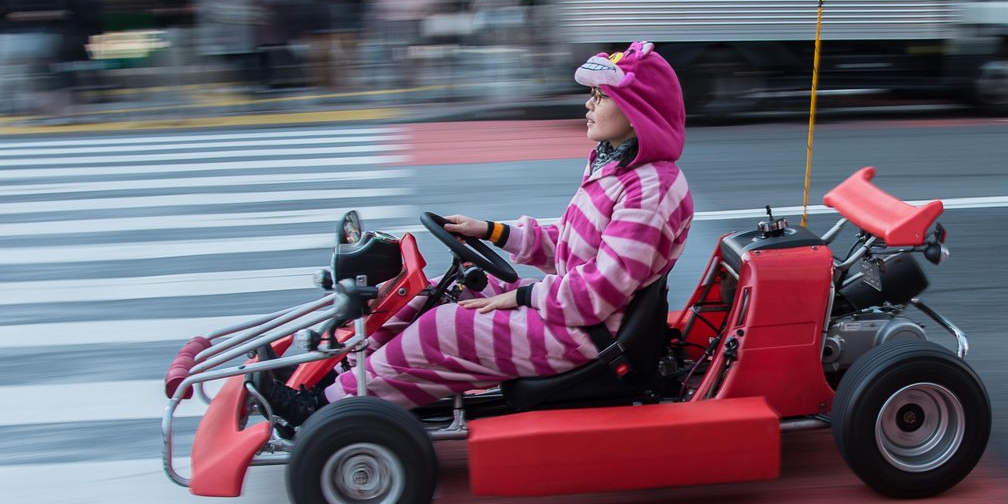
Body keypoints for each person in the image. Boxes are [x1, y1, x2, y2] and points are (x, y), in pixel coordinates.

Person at [261, 40, 694, 424]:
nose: (588, 106)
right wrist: (491, 231)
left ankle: (326, 411)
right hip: (572, 311)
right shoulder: (614, 165)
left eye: (600, 97)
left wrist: (521, 296)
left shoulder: (651, 190)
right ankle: (339, 372)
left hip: (590, 333)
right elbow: (570, 240)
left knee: (443, 329)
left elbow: (599, 291)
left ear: (638, 113)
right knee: (441, 291)